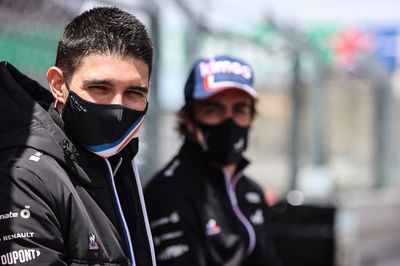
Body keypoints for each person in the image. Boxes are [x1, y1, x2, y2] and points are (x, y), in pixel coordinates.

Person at [0, 7, 156, 266]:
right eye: (99, 88)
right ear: (58, 85)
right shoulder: (23, 177)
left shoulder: (120, 166)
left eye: (134, 93)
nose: (117, 108)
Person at [145, 55, 281, 266]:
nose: (229, 122)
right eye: (213, 110)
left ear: (252, 118)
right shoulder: (168, 193)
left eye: (239, 110)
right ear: (189, 119)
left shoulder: (252, 191)